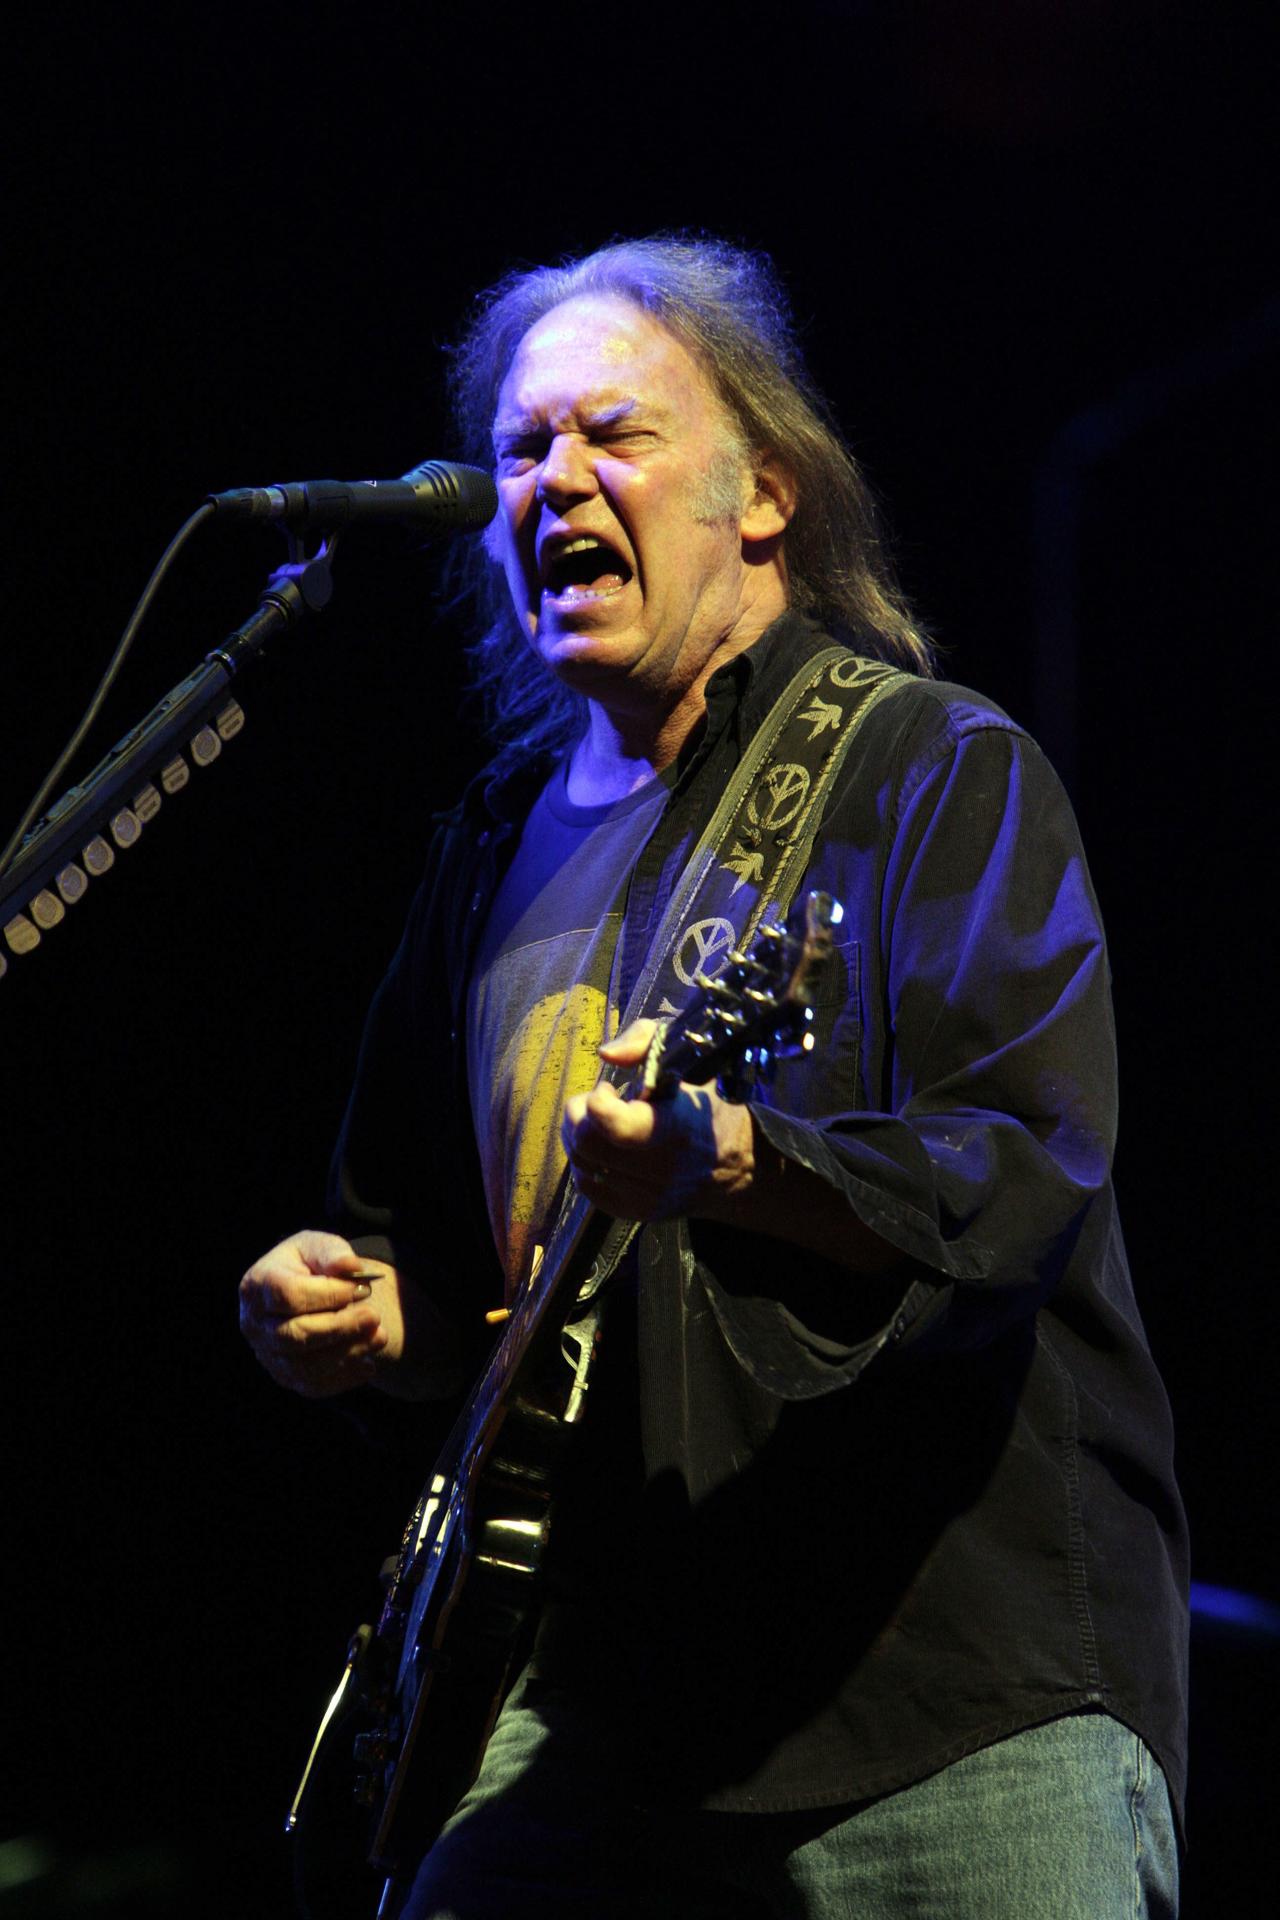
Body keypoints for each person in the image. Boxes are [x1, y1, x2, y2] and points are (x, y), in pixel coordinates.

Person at [239, 236, 1188, 1919]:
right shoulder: (488, 848)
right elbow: (428, 1253)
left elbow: (1023, 1167)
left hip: (941, 1705)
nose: (554, 482)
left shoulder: (926, 767)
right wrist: (355, 1308)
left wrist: (733, 1157)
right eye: (526, 449)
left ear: (764, 497)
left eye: (615, 435)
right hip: (600, 1695)